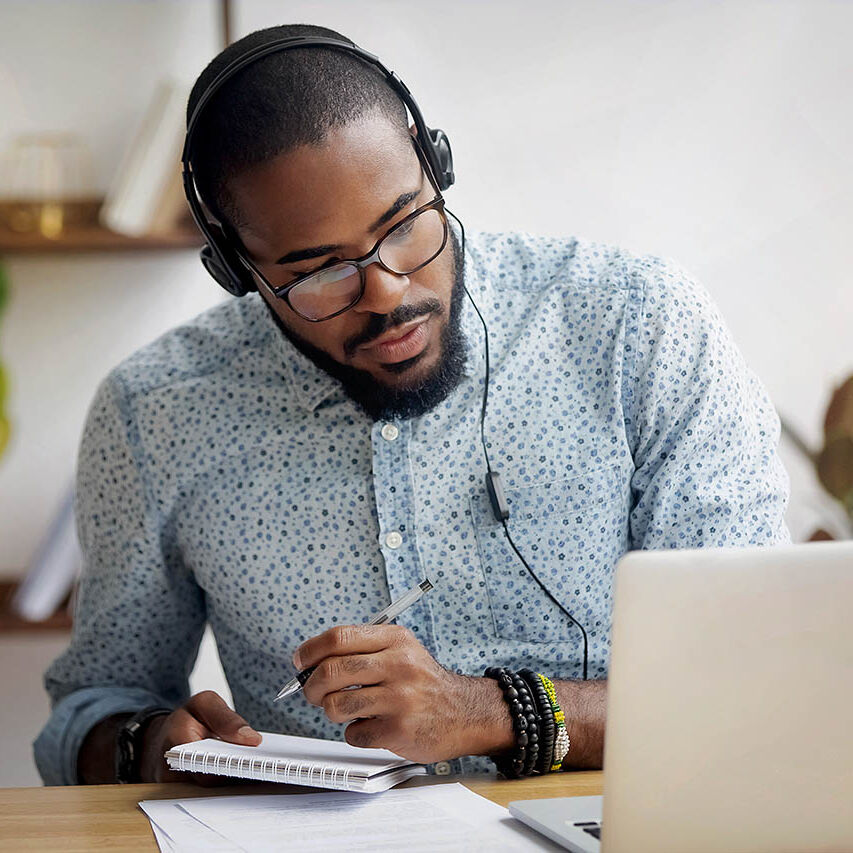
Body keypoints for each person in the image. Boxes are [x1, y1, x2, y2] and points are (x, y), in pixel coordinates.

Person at [35, 23, 789, 786]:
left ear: (437, 167)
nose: (387, 290)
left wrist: (489, 711)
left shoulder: (638, 326)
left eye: (403, 225)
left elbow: (758, 680)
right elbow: (90, 709)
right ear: (236, 269)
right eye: (319, 271)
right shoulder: (153, 412)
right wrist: (150, 742)